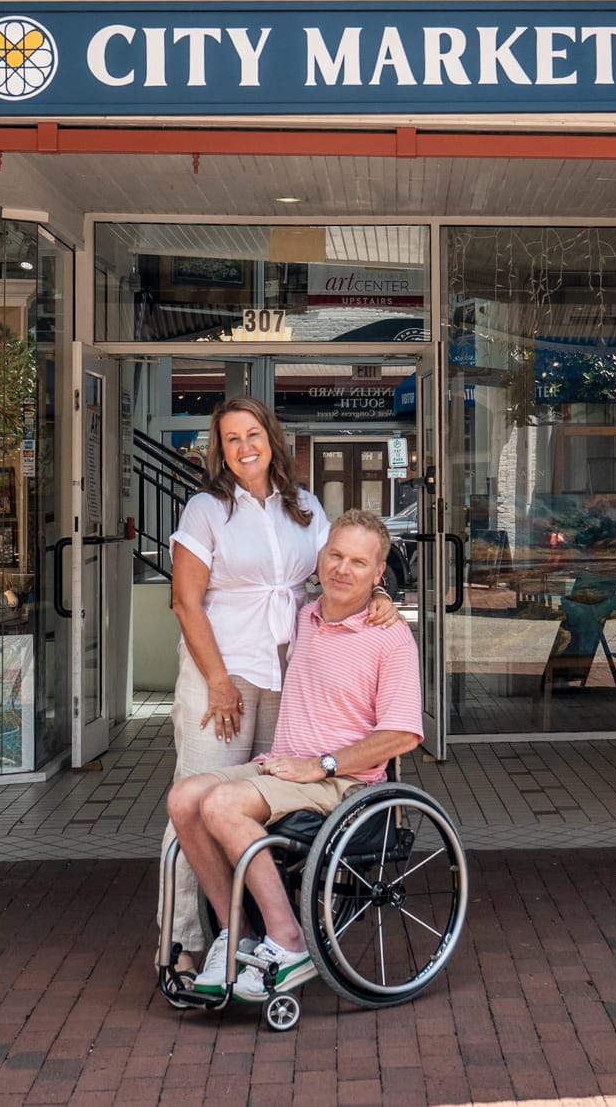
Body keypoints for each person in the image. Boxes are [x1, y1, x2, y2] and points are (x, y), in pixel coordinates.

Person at [162, 397, 395, 973]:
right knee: (191, 806)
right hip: (224, 676)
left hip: (287, 676)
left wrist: (383, 597)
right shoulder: (206, 510)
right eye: (232, 439)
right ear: (220, 449)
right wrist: (218, 682)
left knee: (257, 807)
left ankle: (268, 936)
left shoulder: (306, 506)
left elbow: (342, 571)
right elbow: (185, 602)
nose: (245, 447)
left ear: (271, 438)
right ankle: (190, 941)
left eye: (253, 434)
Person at [166, 509, 423, 1001]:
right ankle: (235, 935)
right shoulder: (303, 616)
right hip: (285, 769)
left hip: (342, 784)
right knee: (184, 799)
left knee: (222, 805)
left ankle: (288, 941)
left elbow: (403, 735)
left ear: (378, 573)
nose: (343, 570)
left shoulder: (390, 638)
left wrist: (322, 764)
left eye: (359, 563)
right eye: (336, 555)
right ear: (319, 558)